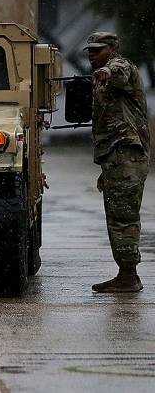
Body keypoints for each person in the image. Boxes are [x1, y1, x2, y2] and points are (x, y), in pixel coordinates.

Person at [86, 31, 149, 293]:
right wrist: (106, 166)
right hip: (116, 157)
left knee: (123, 217)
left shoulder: (121, 68)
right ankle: (126, 273)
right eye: (89, 51)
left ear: (112, 49)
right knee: (117, 216)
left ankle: (128, 276)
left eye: (97, 50)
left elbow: (119, 71)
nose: (92, 55)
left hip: (126, 153)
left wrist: (107, 73)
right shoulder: (101, 81)